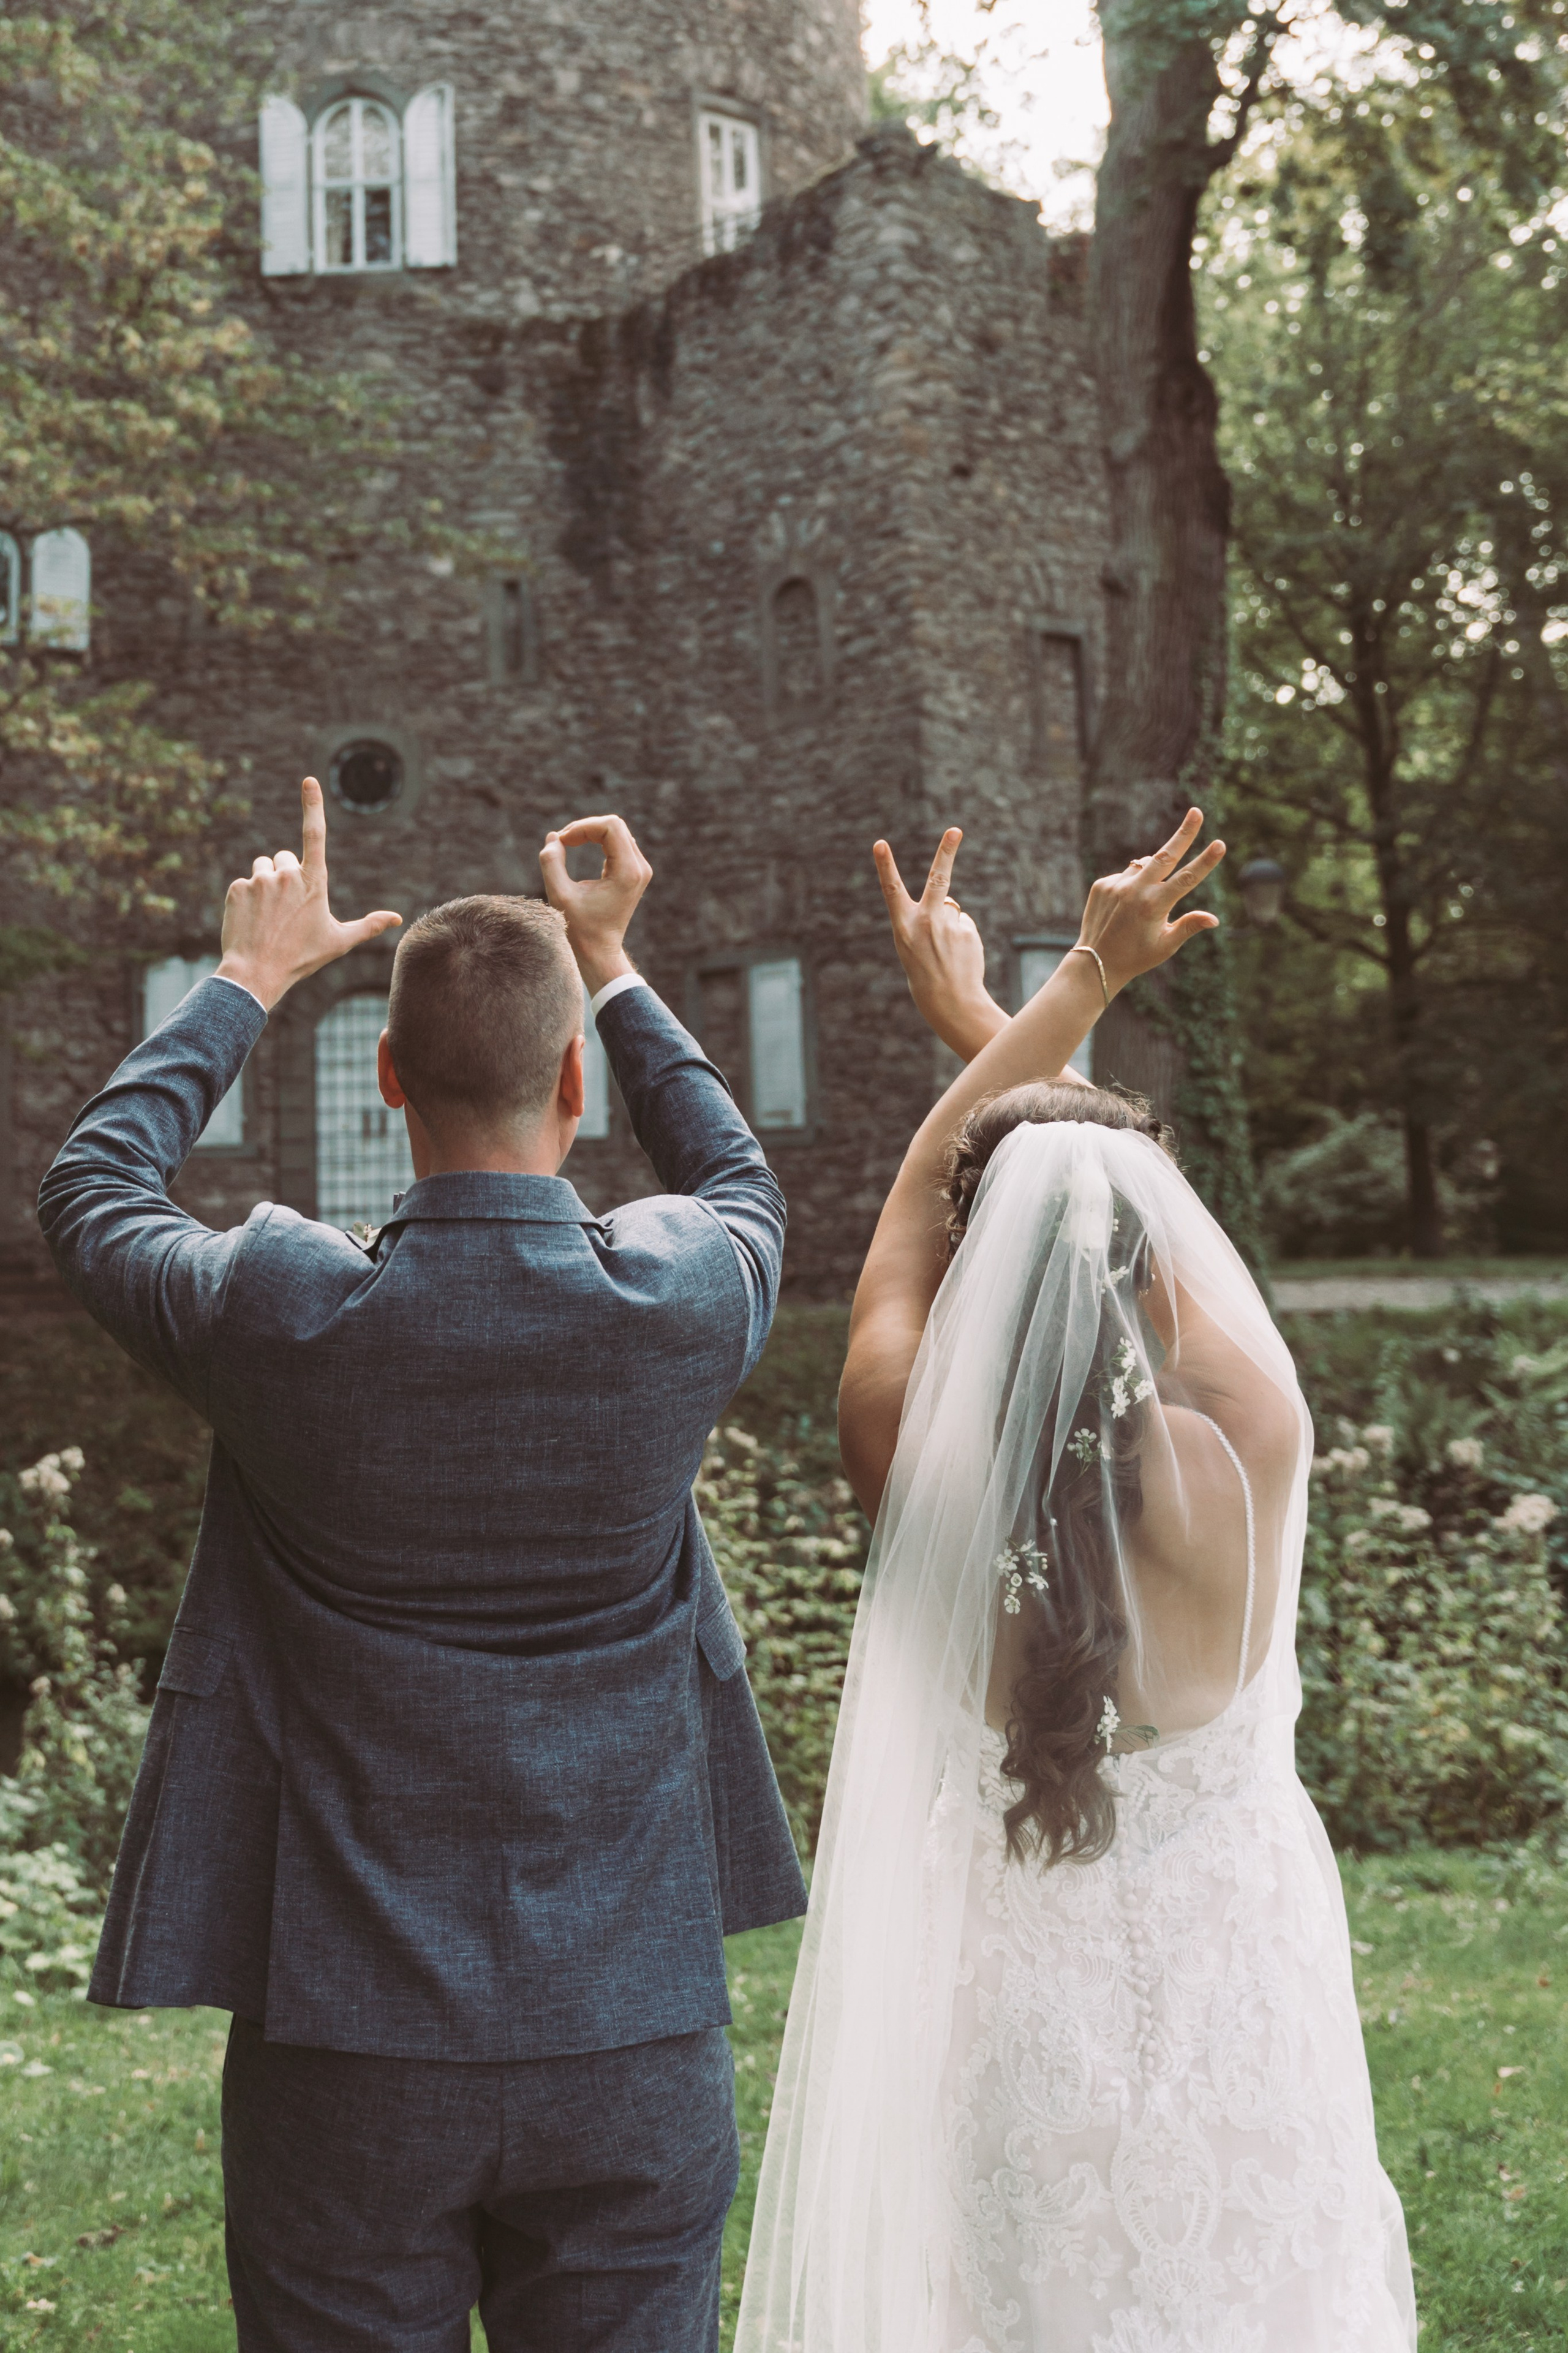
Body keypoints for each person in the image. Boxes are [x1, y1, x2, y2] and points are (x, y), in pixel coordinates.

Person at [38, 782, 807, 2352]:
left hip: (347, 2037)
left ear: (385, 1077)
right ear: (577, 1085)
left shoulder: (279, 1313)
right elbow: (744, 1181)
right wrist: (614, 964)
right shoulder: (684, 1308)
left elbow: (90, 1192)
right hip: (633, 2033)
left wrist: (245, 981)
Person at [736, 811, 1417, 2353]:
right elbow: (1111, 1218)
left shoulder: (901, 1451)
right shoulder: (1257, 1432)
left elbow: (925, 1196)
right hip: (1236, 1985)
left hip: (1015, 2010)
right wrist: (1051, 1006)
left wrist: (1048, 1007)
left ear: (980, 1278)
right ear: (1154, 1257)